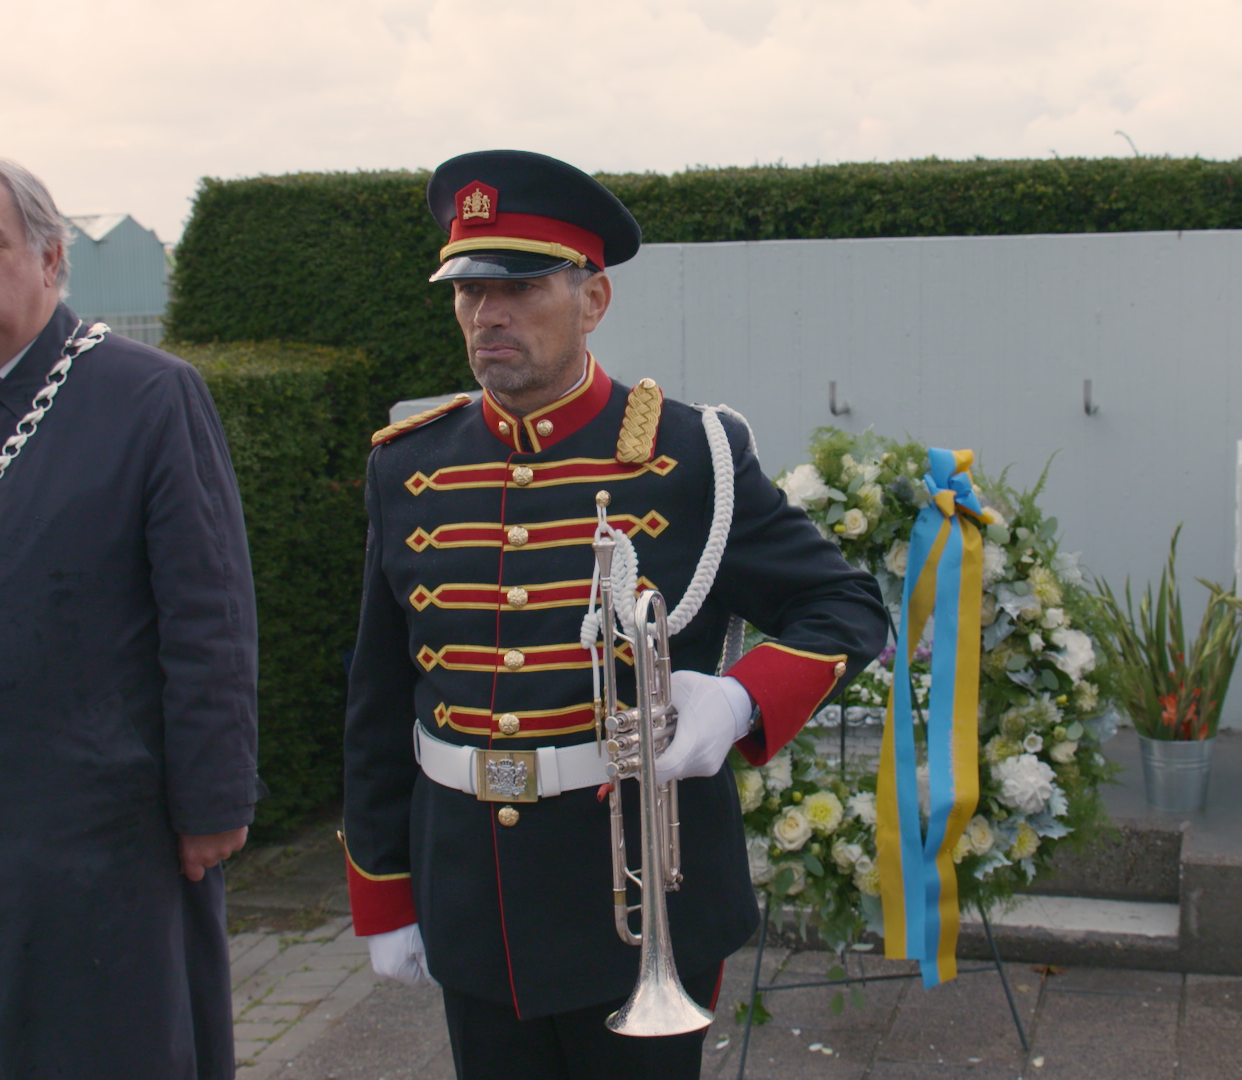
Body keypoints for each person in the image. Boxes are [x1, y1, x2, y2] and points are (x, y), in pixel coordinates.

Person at [341, 150, 888, 1079]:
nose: (488, 315)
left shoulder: (688, 454)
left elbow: (844, 604)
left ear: (592, 300)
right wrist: (384, 892)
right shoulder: (409, 466)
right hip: (470, 890)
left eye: (518, 286)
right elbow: (379, 695)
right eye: (469, 291)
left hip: (637, 901)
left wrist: (739, 701)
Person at [0, 153, 263, 1080]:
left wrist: (213, 801)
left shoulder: (148, 397)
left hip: (99, 845)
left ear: (50, 258)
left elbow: (208, 618)